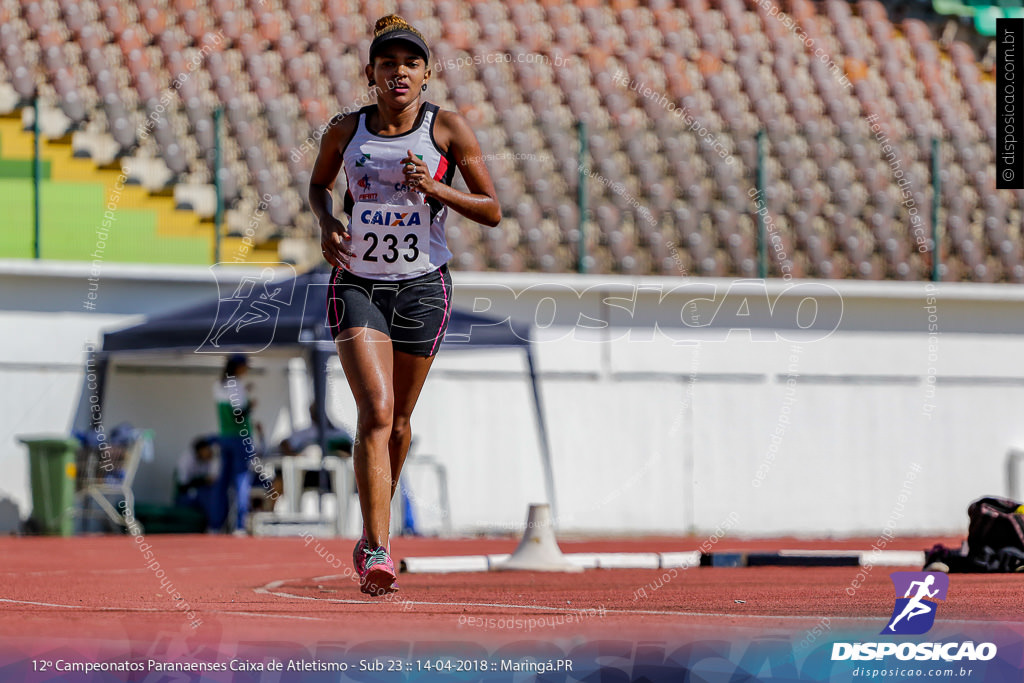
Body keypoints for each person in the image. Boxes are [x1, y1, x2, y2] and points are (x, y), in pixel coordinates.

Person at [309, 14, 500, 595]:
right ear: (370, 73)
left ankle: (374, 526)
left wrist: (436, 188)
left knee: (400, 424)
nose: (399, 72)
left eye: (410, 64)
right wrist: (327, 222)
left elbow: (491, 208)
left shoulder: (448, 130)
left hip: (422, 286)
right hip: (358, 284)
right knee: (375, 411)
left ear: (426, 75)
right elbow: (319, 187)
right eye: (388, 63)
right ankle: (377, 548)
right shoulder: (345, 131)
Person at [212, 354, 258, 533]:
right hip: (240, 437)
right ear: (238, 367)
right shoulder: (236, 385)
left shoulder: (218, 384)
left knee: (222, 482)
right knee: (241, 481)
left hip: (225, 437)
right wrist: (250, 405)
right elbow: (238, 415)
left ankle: (216, 524)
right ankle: (240, 525)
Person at [174, 436, 221, 528]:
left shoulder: (209, 460)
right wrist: (202, 480)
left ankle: (214, 527)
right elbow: (182, 485)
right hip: (186, 495)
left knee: (214, 495)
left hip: (202, 493)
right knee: (205, 496)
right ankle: (213, 526)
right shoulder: (186, 460)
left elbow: (213, 478)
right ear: (201, 450)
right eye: (208, 449)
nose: (210, 452)